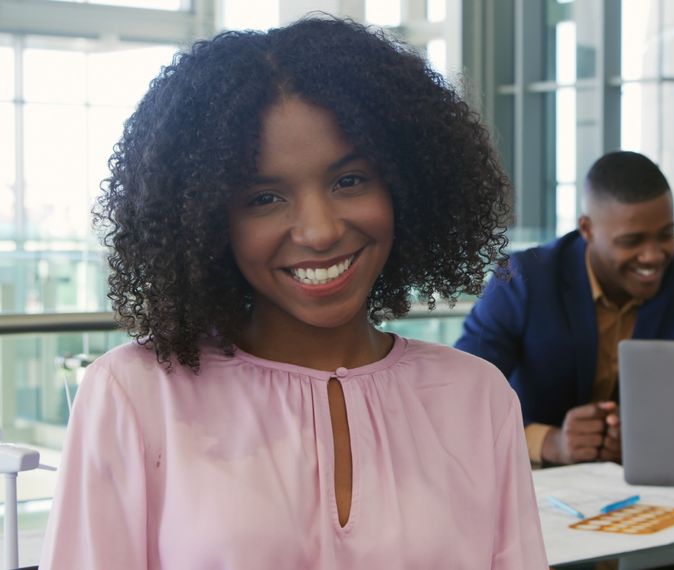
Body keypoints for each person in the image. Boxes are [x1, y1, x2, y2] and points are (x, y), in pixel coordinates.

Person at [39, 17, 546, 569]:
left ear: (406, 184)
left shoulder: (475, 396)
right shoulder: (136, 394)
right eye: (264, 197)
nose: (319, 230)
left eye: (348, 180)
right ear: (208, 220)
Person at [455, 151, 674, 466]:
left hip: (641, 474)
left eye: (666, 235)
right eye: (631, 241)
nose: (652, 256)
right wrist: (551, 442)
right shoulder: (523, 279)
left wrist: (639, 433)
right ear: (587, 229)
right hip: (535, 474)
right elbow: (460, 400)